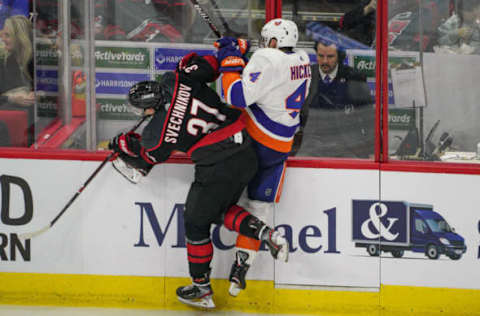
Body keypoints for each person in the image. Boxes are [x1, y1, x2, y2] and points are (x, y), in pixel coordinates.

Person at [108, 52, 288, 309]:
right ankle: (265, 233)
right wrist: (189, 64)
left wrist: (123, 144)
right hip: (246, 150)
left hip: (218, 165)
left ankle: (202, 288)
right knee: (214, 211)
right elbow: (211, 65)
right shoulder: (177, 78)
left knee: (195, 222)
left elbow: (147, 158)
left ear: (148, 108)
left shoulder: (155, 133)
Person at [214, 18, 310, 296]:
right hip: (281, 148)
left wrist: (230, 58)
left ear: (272, 43)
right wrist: (240, 51)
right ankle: (241, 269)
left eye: (264, 40)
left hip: (255, 141)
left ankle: (253, 248)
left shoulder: (267, 58)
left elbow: (235, 96)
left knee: (214, 201)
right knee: (260, 207)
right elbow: (270, 84)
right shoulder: (303, 58)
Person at [297, 40, 374, 158]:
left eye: (330, 56)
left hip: (347, 145)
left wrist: (373, 150)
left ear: (339, 56)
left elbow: (368, 117)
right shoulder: (306, 75)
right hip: (312, 145)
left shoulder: (353, 77)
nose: (325, 61)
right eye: (321, 56)